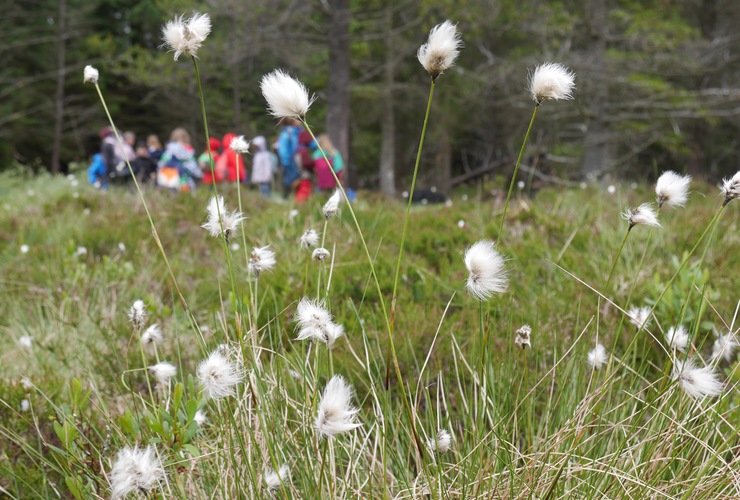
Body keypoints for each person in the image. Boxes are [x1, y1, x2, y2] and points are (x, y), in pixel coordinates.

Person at [157, 127, 202, 191]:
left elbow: (160, 165)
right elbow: (194, 168)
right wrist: (199, 175)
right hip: (186, 182)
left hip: (169, 181)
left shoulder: (168, 151)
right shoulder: (187, 151)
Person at [276, 118, 302, 197]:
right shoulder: (287, 134)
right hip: (290, 163)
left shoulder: (298, 132)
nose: (300, 121)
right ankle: (289, 200)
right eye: (298, 119)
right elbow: (283, 150)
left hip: (299, 161)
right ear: (292, 121)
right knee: (292, 183)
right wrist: (286, 162)